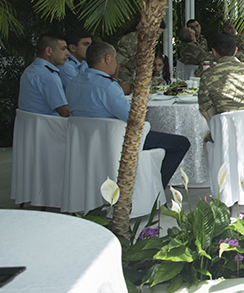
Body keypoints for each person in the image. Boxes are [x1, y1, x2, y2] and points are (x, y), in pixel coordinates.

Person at [66, 41, 190, 188]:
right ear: (107, 58)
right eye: (115, 58)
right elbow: (133, 118)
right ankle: (155, 188)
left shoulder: (73, 82)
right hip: (116, 140)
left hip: (85, 142)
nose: (116, 63)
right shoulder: (107, 86)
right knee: (181, 143)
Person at [18, 34, 70, 117]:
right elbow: (64, 112)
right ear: (49, 51)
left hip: (30, 122)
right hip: (48, 123)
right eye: (63, 49)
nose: (68, 53)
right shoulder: (48, 75)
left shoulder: (30, 69)